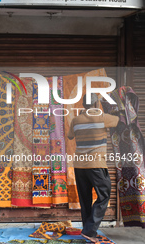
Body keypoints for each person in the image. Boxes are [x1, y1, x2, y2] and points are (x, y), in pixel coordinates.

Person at [67, 93, 119, 243]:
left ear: (83, 105)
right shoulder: (103, 118)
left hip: (79, 166)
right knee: (104, 195)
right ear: (96, 105)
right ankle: (89, 230)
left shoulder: (76, 121)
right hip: (96, 164)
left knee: (85, 199)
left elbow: (70, 136)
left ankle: (88, 231)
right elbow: (119, 120)